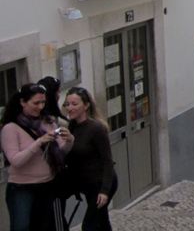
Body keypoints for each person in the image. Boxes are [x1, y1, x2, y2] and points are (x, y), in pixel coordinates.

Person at [1, 83, 74, 231]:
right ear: (22, 102)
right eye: (35, 103)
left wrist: (70, 140)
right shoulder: (10, 128)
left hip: (48, 184)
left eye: (43, 102)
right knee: (22, 226)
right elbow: (15, 160)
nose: (40, 107)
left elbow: (62, 151)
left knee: (49, 226)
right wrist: (38, 142)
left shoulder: (48, 121)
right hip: (22, 188)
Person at [63, 87, 118, 231]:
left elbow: (107, 161)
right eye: (67, 104)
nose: (70, 108)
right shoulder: (72, 127)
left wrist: (104, 191)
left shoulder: (96, 128)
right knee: (102, 221)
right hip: (88, 185)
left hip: (102, 184)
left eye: (74, 104)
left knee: (89, 225)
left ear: (86, 105)